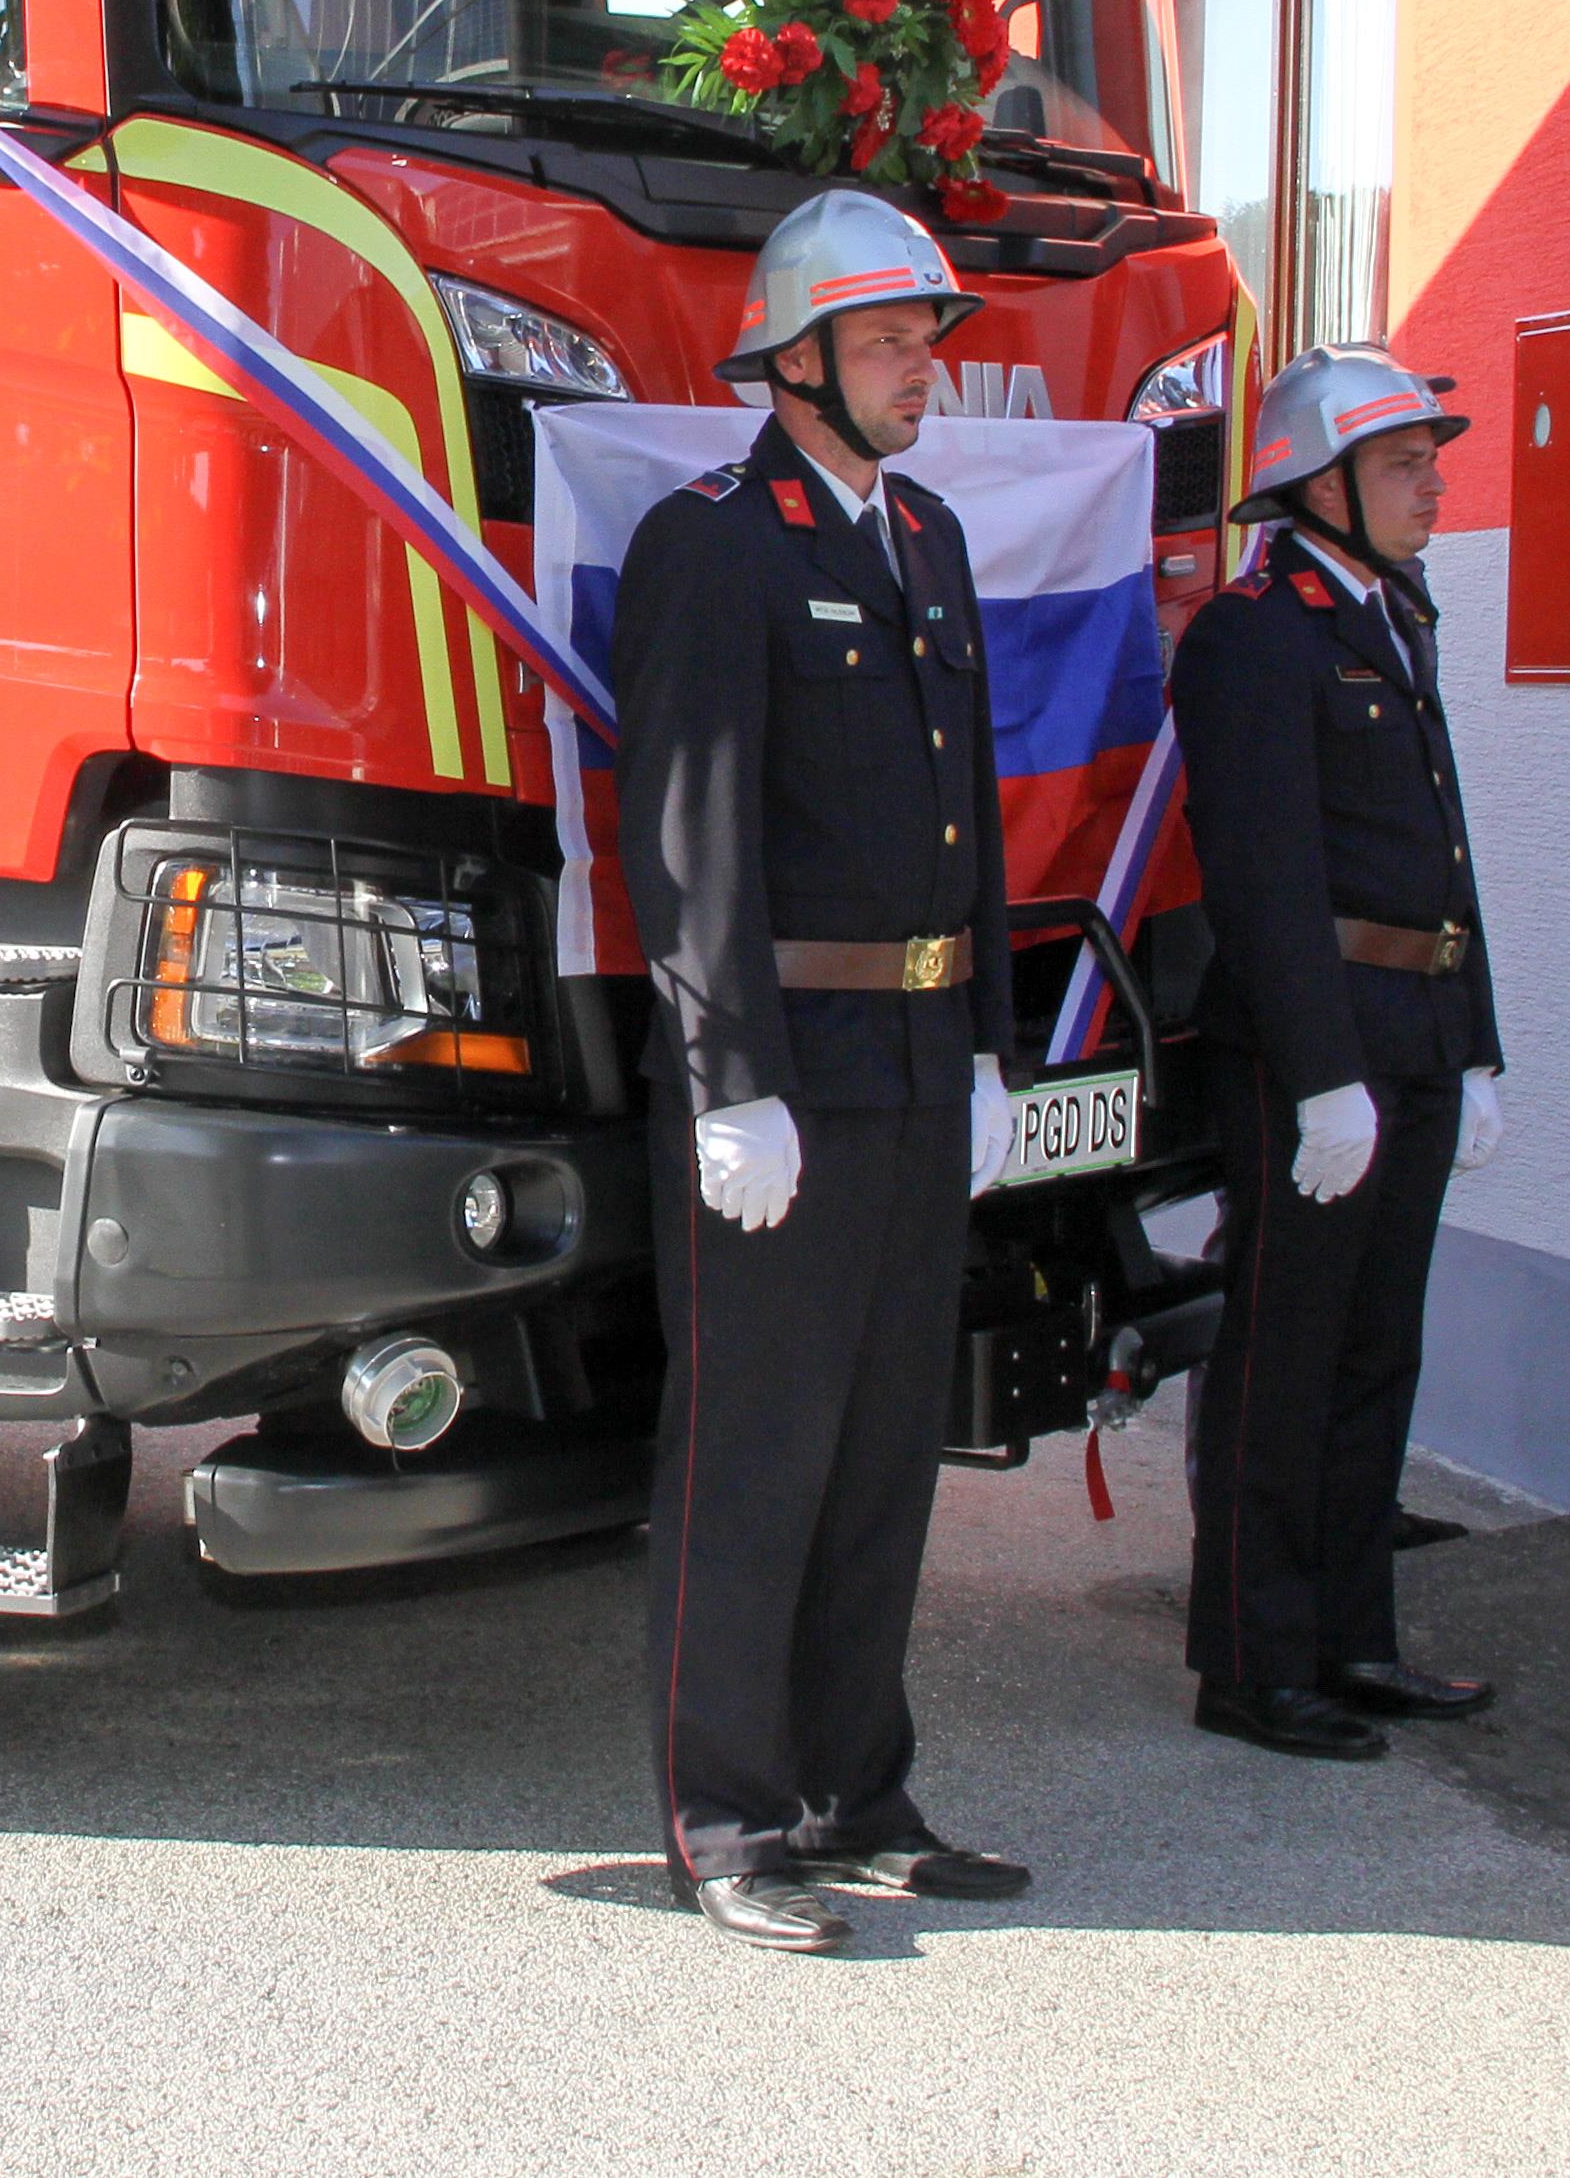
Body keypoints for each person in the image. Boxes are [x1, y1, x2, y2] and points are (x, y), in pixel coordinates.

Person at [610, 189, 1030, 1956]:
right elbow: (685, 831)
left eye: (928, 336)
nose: (922, 365)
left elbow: (967, 813)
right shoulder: (712, 543)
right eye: (886, 340)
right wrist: (729, 1080)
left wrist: (991, 1043)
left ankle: (859, 1794)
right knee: (755, 1459)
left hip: (918, 1063)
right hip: (786, 1073)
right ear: (794, 362)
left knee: (878, 1456)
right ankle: (724, 1817)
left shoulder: (926, 536)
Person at [1166, 346, 1514, 1760]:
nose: (1433, 484)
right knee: (1285, 1356)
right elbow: (1262, 878)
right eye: (1402, 463)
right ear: (1319, 485)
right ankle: (1254, 1662)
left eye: (1431, 460)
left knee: (1377, 1351)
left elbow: (1444, 847)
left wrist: (1476, 1047)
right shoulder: (1255, 634)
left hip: (1415, 1029)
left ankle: (1354, 1638)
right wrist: (1322, 1079)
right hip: (1318, 1045)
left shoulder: (1391, 611)